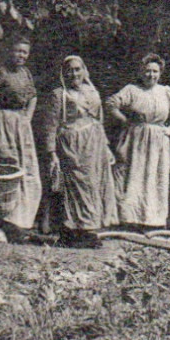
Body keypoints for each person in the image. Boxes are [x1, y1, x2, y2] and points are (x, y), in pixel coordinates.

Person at [105, 54, 170, 228]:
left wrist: (169, 130)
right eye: (147, 71)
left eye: (155, 71)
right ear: (141, 72)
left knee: (155, 177)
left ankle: (153, 220)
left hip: (158, 140)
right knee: (133, 176)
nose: (151, 75)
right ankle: (130, 219)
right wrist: (125, 121)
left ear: (160, 73)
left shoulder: (165, 91)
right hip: (135, 138)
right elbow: (111, 103)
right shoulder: (132, 90)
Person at [43, 55, 119, 248]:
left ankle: (90, 229)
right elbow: (51, 125)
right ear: (64, 73)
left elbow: (99, 118)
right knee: (78, 185)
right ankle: (76, 230)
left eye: (78, 69)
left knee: (95, 184)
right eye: (70, 70)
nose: (74, 74)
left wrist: (106, 146)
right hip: (72, 143)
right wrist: (52, 153)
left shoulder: (92, 91)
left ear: (84, 70)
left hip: (95, 142)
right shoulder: (59, 94)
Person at [0, 35, 43, 241]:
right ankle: (3, 227)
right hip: (2, 123)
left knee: (29, 174)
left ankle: (21, 224)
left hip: (20, 127)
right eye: (17, 51)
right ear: (9, 52)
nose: (21, 56)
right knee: (8, 172)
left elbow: (33, 96)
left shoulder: (26, 73)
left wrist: (26, 118)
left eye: (24, 52)